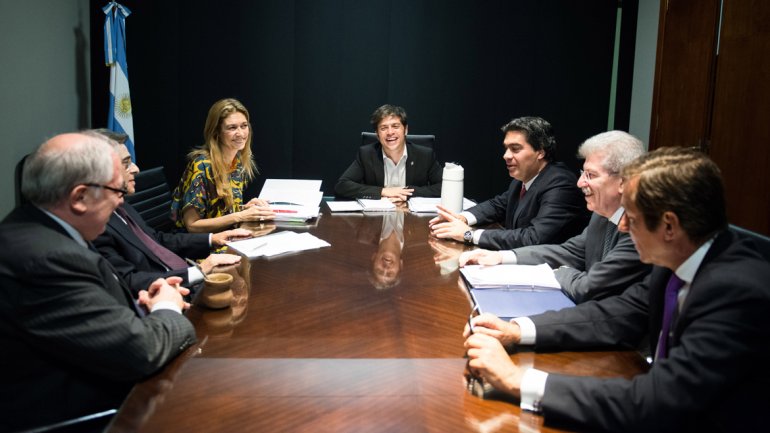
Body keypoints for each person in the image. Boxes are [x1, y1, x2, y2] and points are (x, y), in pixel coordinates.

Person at [463, 147, 770, 432]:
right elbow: (618, 314)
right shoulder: (678, 256)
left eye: (631, 219)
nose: (621, 227)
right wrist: (516, 330)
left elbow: (661, 401)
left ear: (669, 226)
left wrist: (518, 380)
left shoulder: (736, 293)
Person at [0, 133, 196, 432]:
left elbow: (81, 316)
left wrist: (142, 306)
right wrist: (167, 306)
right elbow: (140, 352)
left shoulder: (40, 227)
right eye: (116, 190)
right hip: (93, 414)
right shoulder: (48, 258)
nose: (122, 200)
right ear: (79, 197)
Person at [459, 131, 651, 303]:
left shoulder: (641, 230)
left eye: (591, 175)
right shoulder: (601, 215)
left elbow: (589, 288)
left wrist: (560, 272)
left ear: (623, 182)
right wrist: (501, 257)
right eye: (583, 173)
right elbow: (570, 251)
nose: (580, 183)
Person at [93, 130, 250, 295]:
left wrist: (213, 239)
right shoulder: (96, 226)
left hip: (185, 274)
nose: (136, 169)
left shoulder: (121, 205)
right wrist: (199, 271)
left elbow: (156, 240)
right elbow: (128, 281)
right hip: (167, 293)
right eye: (126, 163)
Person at [429, 116, 588, 250]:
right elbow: (497, 205)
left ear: (540, 152)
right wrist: (462, 218)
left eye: (515, 149)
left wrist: (469, 234)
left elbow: (534, 238)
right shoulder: (524, 178)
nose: (506, 155)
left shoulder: (560, 184)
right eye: (506, 148)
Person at [171, 98, 275, 233]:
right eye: (232, 127)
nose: (240, 133)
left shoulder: (237, 162)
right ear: (216, 132)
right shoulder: (201, 166)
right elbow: (192, 225)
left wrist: (245, 209)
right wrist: (240, 216)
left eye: (244, 126)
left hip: (226, 234)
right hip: (200, 242)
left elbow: (222, 213)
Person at [335, 104, 443, 202]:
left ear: (405, 130)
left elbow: (444, 187)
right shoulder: (366, 154)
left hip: (411, 214)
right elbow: (342, 186)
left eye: (395, 126)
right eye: (384, 128)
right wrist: (383, 191)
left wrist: (408, 193)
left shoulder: (424, 155)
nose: (390, 132)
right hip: (378, 215)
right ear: (377, 135)